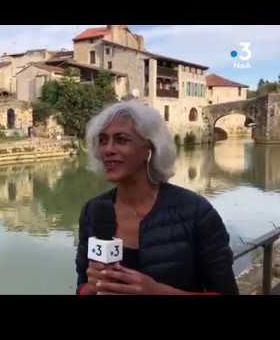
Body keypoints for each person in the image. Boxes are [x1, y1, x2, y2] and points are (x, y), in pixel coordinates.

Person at [75, 100, 239, 295]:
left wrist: (157, 291)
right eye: (102, 140)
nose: (108, 149)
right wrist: (92, 288)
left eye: (121, 139)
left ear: (149, 149)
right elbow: (82, 287)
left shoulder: (195, 212)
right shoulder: (92, 211)